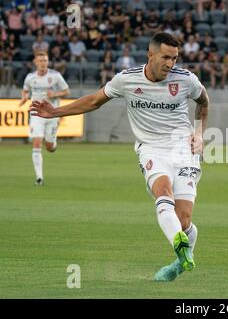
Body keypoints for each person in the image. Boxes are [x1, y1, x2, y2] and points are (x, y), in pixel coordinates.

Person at [30, 32, 210, 282]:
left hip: (183, 149)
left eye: (175, 58)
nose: (171, 64)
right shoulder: (127, 79)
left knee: (184, 219)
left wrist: (199, 133)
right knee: (163, 190)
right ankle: (177, 243)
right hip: (151, 148)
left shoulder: (186, 80)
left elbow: (204, 101)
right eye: (166, 57)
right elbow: (94, 101)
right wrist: (55, 112)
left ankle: (180, 259)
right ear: (151, 55)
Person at [19, 50, 70, 185]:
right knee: (36, 142)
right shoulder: (30, 77)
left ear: (48, 62)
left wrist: (54, 94)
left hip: (52, 113)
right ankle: (39, 178)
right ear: (35, 62)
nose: (43, 63)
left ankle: (53, 142)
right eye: (40, 61)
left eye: (45, 61)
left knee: (49, 147)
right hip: (36, 113)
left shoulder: (55, 76)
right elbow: (25, 90)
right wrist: (24, 98)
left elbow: (66, 91)